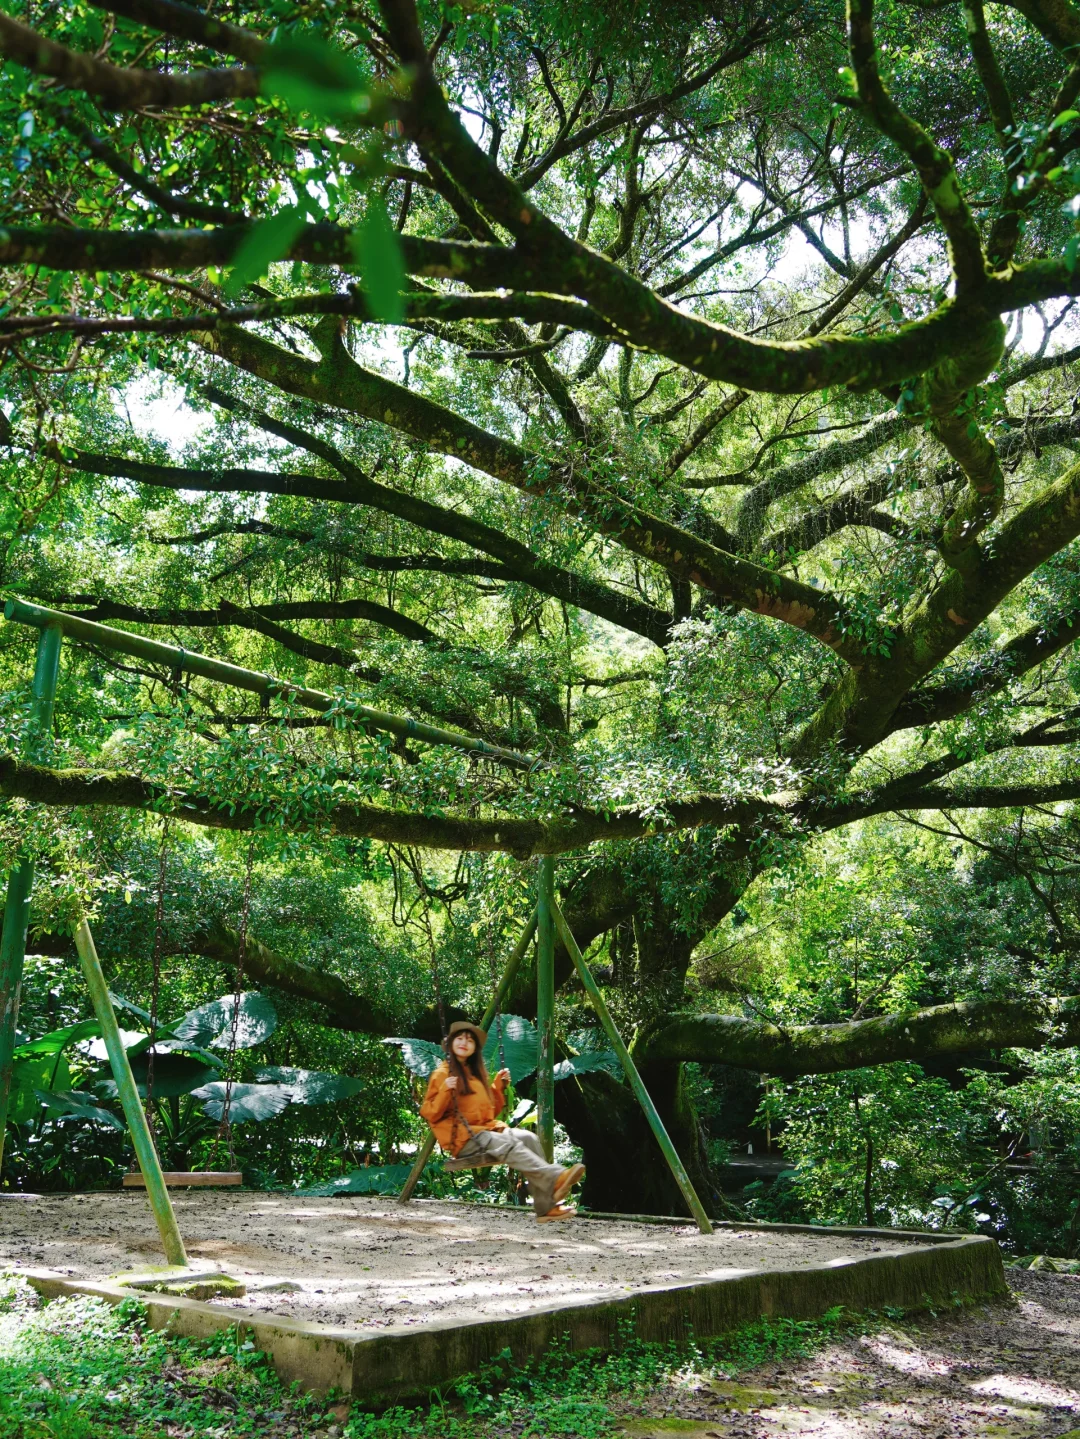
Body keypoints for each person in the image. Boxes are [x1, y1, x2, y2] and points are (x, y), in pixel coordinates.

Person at [420, 1019, 584, 1222]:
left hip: (485, 1132)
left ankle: (545, 1207)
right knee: (504, 1142)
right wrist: (445, 1089)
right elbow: (429, 1113)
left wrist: (498, 1086)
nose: (464, 1042)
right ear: (451, 1043)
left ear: (474, 1048)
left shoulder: (476, 1077)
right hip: (463, 1139)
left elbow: (489, 1113)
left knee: (528, 1137)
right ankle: (554, 1177)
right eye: (460, 1038)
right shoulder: (442, 1074)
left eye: (470, 1040)